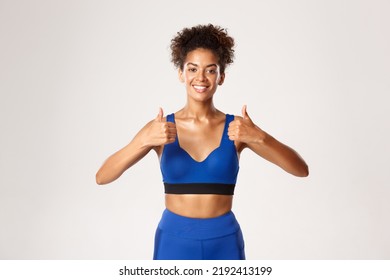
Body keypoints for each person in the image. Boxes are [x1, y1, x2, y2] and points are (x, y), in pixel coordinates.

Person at [96, 24, 309, 260]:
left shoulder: (238, 129)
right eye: (192, 68)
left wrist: (259, 136)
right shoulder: (160, 128)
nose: (200, 78)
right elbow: (102, 177)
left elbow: (300, 170)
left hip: (225, 240)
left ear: (221, 76)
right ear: (181, 73)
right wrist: (141, 142)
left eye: (210, 70)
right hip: (173, 240)